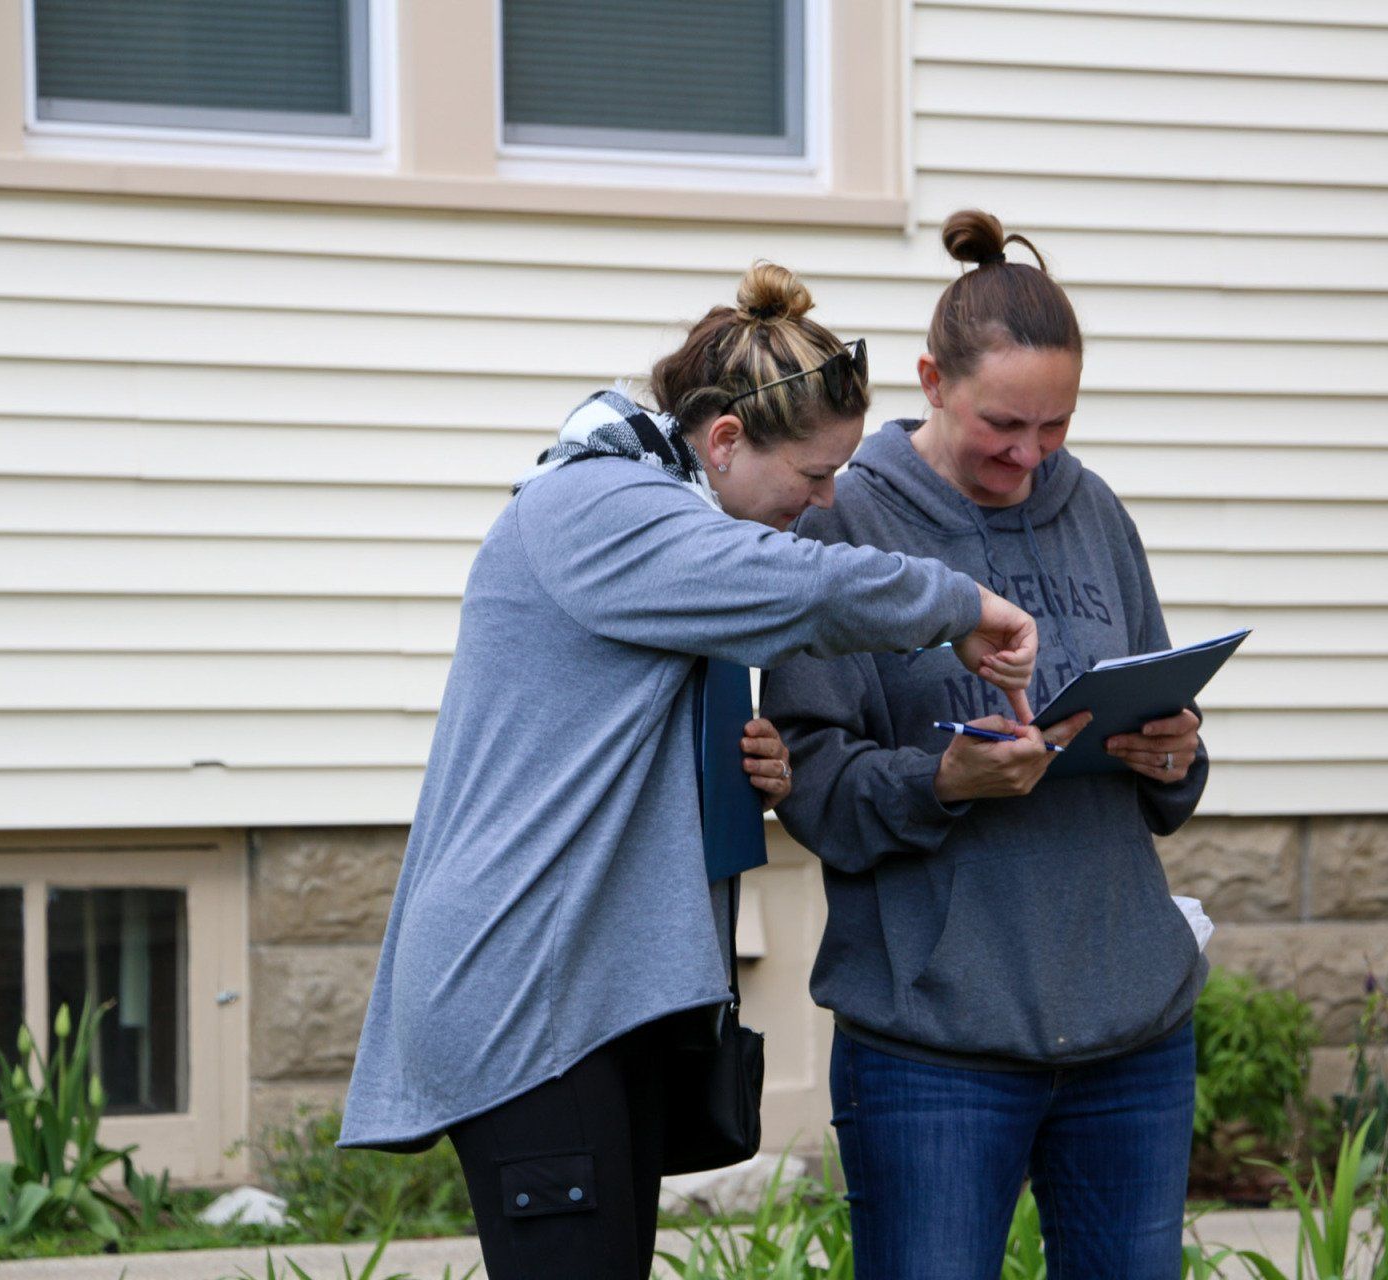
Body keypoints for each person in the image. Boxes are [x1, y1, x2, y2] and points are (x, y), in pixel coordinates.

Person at [337, 262, 1039, 1280]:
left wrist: (727, 756)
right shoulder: (599, 505)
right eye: (811, 476)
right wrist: (966, 606)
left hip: (596, 983)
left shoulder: (662, 517)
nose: (828, 499)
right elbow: (801, 588)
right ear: (723, 440)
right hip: (527, 982)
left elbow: (595, 716)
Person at [761, 210, 1211, 1280]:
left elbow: (1170, 745)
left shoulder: (1094, 509)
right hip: (936, 1046)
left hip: (1133, 1031)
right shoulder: (844, 522)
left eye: (1056, 424)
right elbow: (810, 784)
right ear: (930, 379)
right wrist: (943, 778)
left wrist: (1175, 755)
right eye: (1006, 422)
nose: (1032, 452)